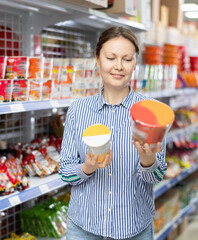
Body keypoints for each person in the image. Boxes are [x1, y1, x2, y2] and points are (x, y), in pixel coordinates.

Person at [58, 27, 167, 240]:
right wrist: (88, 167)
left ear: (135, 63)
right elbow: (65, 171)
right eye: (110, 58)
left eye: (127, 59)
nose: (118, 66)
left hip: (134, 228)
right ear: (98, 60)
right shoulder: (78, 110)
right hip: (84, 228)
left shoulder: (151, 111)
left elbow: (157, 175)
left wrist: (148, 161)